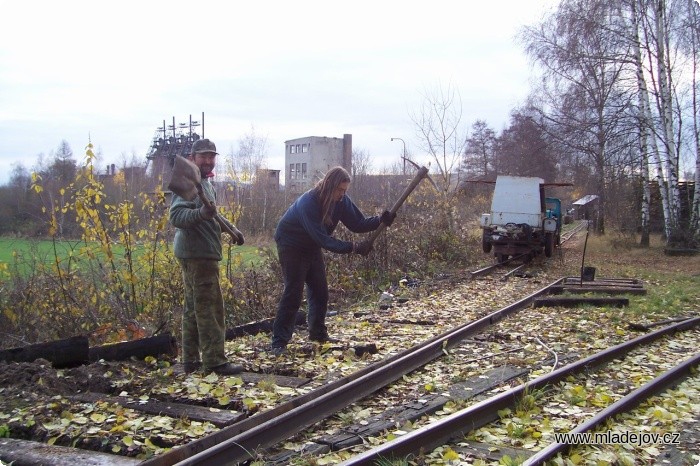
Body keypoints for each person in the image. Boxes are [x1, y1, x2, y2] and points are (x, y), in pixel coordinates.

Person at [270, 166, 396, 355]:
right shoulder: (309, 202)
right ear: (329, 185)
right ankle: (278, 343)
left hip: (311, 245)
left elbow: (358, 224)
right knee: (293, 292)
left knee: (320, 291)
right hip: (291, 245)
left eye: (345, 191)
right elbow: (324, 240)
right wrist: (354, 247)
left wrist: (380, 220)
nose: (342, 194)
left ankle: (317, 334)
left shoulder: (341, 201)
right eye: (340, 190)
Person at [169, 138, 245, 375]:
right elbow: (176, 217)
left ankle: (190, 360)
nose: (209, 161)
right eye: (204, 156)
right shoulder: (189, 183)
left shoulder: (204, 183)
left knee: (193, 308)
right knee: (210, 308)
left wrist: (231, 229)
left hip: (198, 253)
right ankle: (215, 361)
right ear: (192, 158)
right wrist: (201, 213)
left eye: (212, 156)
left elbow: (211, 215)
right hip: (198, 255)